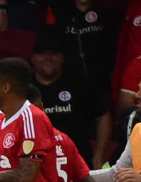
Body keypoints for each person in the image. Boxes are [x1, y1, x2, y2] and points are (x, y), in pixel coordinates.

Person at [31, 36, 111, 168]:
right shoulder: (23, 89)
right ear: (33, 58)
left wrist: (99, 155)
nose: (48, 58)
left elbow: (103, 116)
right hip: (37, 163)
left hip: (78, 161)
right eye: (42, 53)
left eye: (53, 53)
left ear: (62, 57)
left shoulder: (80, 84)